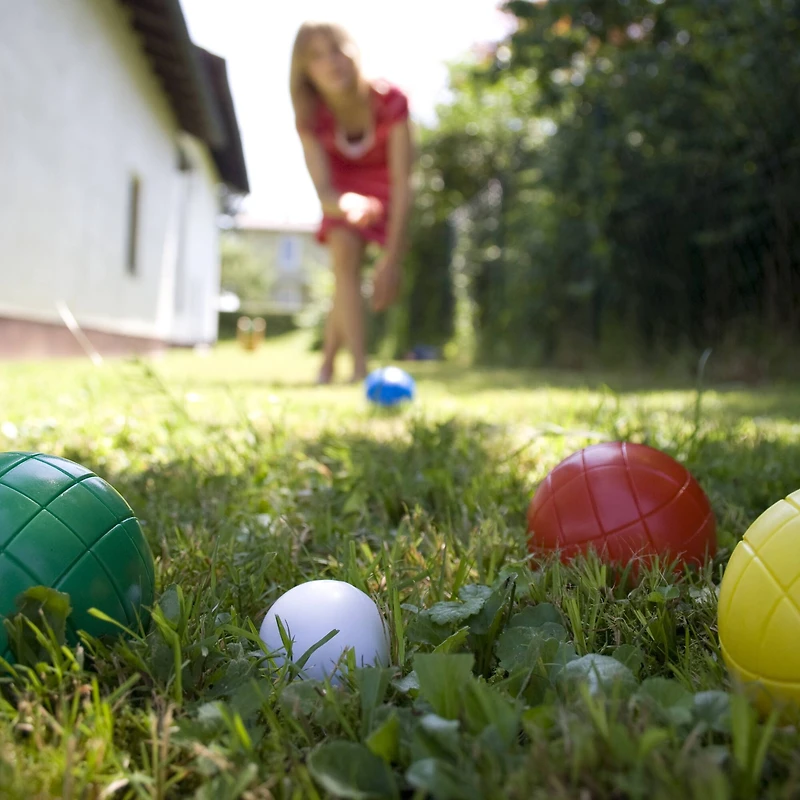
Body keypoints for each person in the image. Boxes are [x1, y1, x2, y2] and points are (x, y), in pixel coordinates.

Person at [290, 22, 414, 384]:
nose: (330, 62)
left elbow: (403, 182)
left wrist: (392, 259)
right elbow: (324, 192)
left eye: (336, 49)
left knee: (347, 275)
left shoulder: (391, 101)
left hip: (387, 189)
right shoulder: (311, 118)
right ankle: (359, 370)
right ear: (305, 70)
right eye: (316, 56)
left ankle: (327, 363)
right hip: (342, 198)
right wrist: (350, 205)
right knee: (344, 255)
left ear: (354, 51)